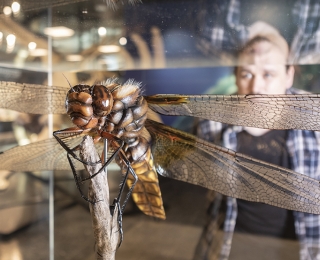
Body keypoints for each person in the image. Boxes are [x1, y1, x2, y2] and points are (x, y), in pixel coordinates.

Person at [193, 28, 320, 260]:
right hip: (228, 251)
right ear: (236, 76)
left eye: (268, 74)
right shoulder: (212, 122)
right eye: (247, 74)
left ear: (288, 75)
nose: (256, 88)